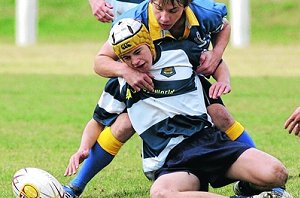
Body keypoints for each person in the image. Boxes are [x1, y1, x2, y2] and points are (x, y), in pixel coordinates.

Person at [67, 18, 293, 198]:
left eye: (138, 51)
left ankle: (247, 189)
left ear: (149, 42)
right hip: (170, 160)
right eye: (126, 57)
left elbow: (216, 59)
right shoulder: (119, 83)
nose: (135, 61)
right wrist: (83, 148)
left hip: (209, 142)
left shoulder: (181, 52)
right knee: (161, 193)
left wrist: (224, 80)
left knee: (277, 174)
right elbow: (97, 121)